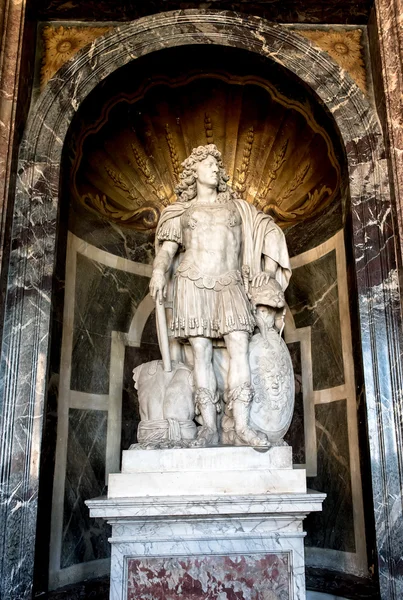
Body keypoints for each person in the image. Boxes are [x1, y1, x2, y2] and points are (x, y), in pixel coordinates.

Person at [149, 144, 291, 446]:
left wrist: (266, 268)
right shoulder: (181, 213)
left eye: (217, 164)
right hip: (193, 282)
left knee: (238, 345)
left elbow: (266, 231)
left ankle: (241, 425)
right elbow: (167, 250)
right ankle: (209, 428)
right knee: (200, 353)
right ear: (194, 172)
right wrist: (159, 271)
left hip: (230, 283)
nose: (216, 168)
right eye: (209, 164)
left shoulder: (237, 208)